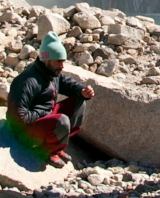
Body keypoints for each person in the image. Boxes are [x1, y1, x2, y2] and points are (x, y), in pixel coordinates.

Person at [7, 32, 95, 167]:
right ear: (46, 59)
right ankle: (47, 150)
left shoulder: (52, 73)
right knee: (62, 121)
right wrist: (44, 114)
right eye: (58, 61)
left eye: (63, 61)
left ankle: (57, 147)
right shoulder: (27, 81)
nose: (62, 65)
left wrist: (82, 91)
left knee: (79, 102)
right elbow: (17, 118)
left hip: (42, 120)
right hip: (26, 133)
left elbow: (68, 84)